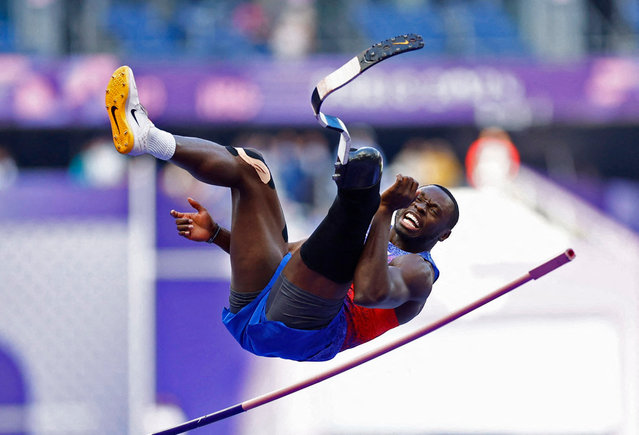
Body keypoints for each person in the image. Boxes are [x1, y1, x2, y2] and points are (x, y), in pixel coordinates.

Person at [106, 65, 459, 362]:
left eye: (432, 212)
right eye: (419, 200)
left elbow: (368, 293)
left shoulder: (419, 271)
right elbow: (285, 255)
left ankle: (355, 192)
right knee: (251, 166)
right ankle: (147, 138)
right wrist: (218, 234)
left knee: (358, 206)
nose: (420, 208)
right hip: (254, 309)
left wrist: (380, 210)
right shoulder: (365, 234)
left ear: (442, 234)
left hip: (307, 331)